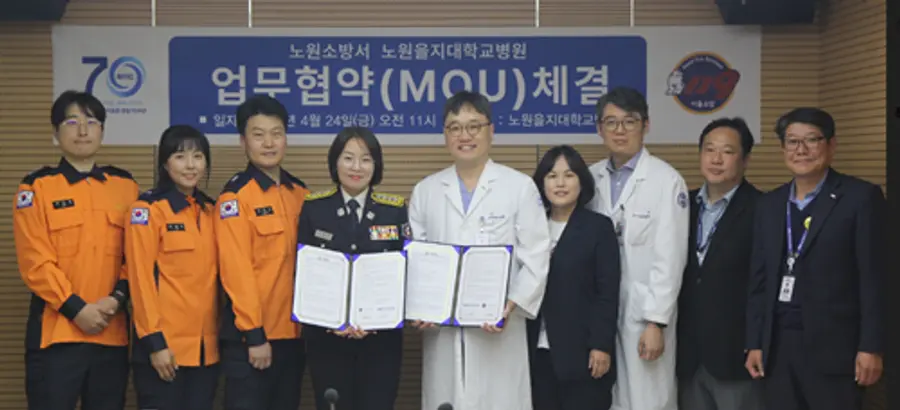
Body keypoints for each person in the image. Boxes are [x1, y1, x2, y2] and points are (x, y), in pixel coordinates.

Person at [408, 90, 551, 410]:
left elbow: (537, 255)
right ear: (445, 134)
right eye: (455, 127)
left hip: (498, 330)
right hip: (443, 332)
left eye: (474, 126)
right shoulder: (426, 191)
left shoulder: (518, 187)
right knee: (447, 399)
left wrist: (511, 305)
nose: (465, 135)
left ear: (491, 130)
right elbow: (416, 263)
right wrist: (421, 307)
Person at [745, 108, 885, 410]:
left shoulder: (860, 198)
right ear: (783, 148)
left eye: (812, 140)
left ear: (831, 145)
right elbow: (759, 280)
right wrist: (754, 342)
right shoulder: (770, 204)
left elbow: (875, 279)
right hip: (777, 349)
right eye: (792, 141)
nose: (801, 150)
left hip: (836, 352)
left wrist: (872, 346)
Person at [13, 90, 138, 410]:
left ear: (102, 131)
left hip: (111, 333)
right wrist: (76, 310)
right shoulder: (36, 188)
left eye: (91, 122)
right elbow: (35, 262)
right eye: (72, 122)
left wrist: (117, 299)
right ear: (56, 133)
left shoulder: (125, 187)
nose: (83, 130)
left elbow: (136, 256)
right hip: (57, 336)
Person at [586, 86, 689, 410]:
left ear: (646, 125)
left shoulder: (665, 180)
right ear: (599, 128)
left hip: (643, 312)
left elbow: (671, 257)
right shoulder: (589, 179)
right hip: (600, 310)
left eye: (629, 121)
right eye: (611, 122)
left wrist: (657, 322)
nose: (620, 130)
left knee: (647, 398)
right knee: (604, 396)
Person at [297, 127, 407, 410]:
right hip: (327, 341)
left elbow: (405, 276)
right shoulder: (314, 209)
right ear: (335, 162)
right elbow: (305, 275)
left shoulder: (394, 211)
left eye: (366, 159)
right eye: (348, 158)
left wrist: (373, 321)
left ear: (376, 165)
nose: (356, 167)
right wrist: (332, 321)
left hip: (381, 342)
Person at [215, 95, 309, 410]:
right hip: (251, 340)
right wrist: (254, 334)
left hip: (294, 335)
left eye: (276, 133)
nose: (269, 143)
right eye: (258, 135)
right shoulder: (235, 198)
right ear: (243, 141)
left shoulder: (301, 194)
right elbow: (236, 271)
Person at [125, 125, 220, 410]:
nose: (191, 165)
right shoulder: (148, 210)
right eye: (180, 157)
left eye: (198, 157)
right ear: (165, 163)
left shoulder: (211, 211)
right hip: (164, 351)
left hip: (206, 353)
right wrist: (155, 343)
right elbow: (140, 280)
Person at [676, 118, 764, 410]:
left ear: (745, 159)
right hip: (688, 356)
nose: (716, 159)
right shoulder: (681, 206)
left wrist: (757, 343)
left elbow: (765, 285)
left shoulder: (763, 209)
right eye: (709, 149)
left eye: (727, 151)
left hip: (737, 355)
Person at [526, 145, 621, 410]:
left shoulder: (598, 227)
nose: (560, 183)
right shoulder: (530, 226)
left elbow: (607, 292)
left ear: (582, 181)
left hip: (582, 353)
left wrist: (601, 345)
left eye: (569, 175)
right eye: (552, 176)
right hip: (535, 351)